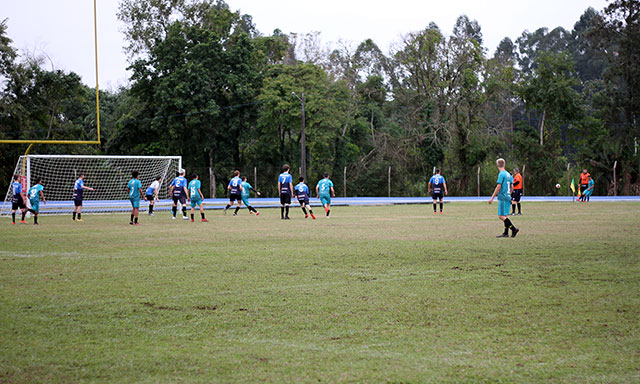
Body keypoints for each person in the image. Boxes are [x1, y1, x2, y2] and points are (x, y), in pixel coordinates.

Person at [489, 158, 519, 238]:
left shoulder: (501, 174)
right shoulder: (508, 174)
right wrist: (510, 194)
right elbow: (512, 186)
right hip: (508, 196)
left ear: (497, 165)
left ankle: (514, 229)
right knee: (505, 215)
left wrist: (492, 198)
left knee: (501, 216)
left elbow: (499, 186)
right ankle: (506, 233)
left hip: (503, 197)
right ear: (504, 164)